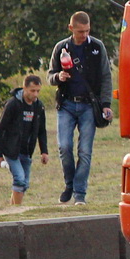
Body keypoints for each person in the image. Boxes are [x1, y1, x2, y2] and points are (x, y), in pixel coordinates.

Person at [48, 11, 112, 206]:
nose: (83, 35)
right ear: (71, 29)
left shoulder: (97, 47)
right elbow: (49, 76)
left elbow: (106, 76)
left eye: (86, 31)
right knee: (64, 147)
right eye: (80, 31)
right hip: (66, 103)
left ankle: (80, 194)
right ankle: (69, 184)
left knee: (85, 150)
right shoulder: (61, 48)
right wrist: (58, 77)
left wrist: (106, 105)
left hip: (88, 105)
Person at [0, 75, 49, 205]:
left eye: (38, 91)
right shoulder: (13, 104)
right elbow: (0, 129)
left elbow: (41, 131)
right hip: (11, 149)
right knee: (19, 179)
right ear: (25, 88)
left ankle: (12, 209)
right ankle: (17, 210)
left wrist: (44, 151)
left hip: (27, 150)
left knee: (24, 184)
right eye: (32, 90)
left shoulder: (39, 106)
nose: (35, 94)